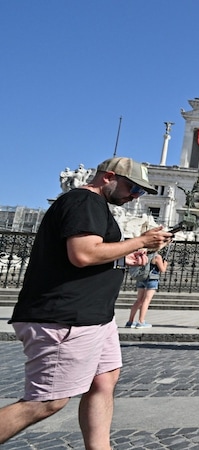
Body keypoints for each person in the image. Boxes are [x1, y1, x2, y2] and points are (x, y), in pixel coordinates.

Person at [0, 156, 171, 448]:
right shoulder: (85, 202)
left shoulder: (95, 206)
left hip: (94, 317)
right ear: (108, 177)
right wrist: (141, 241)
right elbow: (83, 254)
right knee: (47, 402)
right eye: (133, 188)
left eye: (141, 192)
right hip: (66, 316)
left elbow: (90, 253)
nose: (135, 197)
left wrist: (122, 255)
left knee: (104, 381)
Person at [125, 249, 168, 329]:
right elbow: (162, 270)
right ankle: (141, 321)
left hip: (141, 278)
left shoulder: (143, 255)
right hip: (152, 279)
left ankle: (130, 321)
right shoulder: (157, 257)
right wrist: (165, 263)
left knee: (139, 300)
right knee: (146, 300)